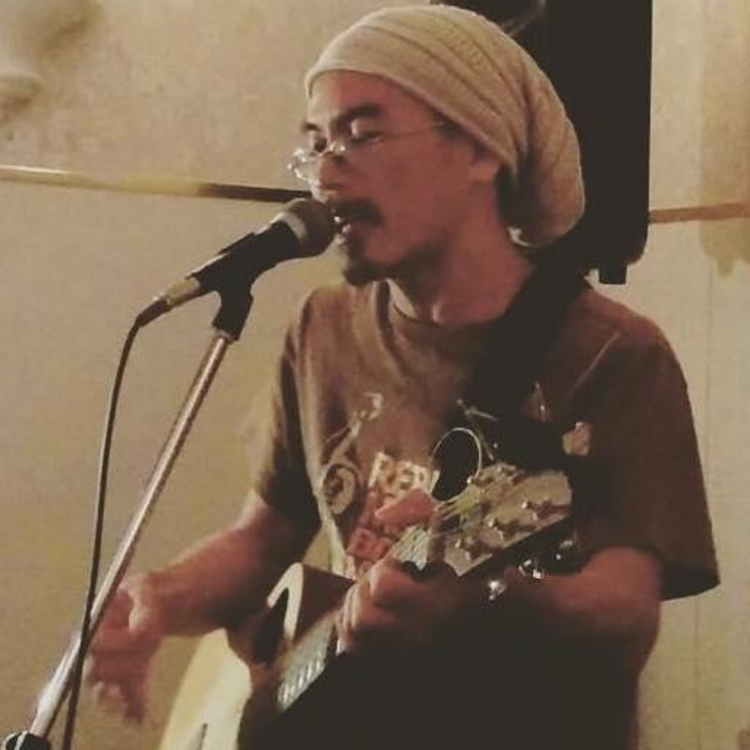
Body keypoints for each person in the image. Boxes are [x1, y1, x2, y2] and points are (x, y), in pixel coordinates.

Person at [86, 6, 718, 749]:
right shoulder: (322, 326)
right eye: (314, 144)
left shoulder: (611, 354)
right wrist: (157, 601)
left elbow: (627, 614)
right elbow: (261, 541)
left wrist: (487, 602)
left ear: (480, 149)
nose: (326, 172)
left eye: (362, 134)